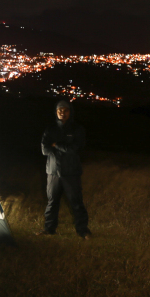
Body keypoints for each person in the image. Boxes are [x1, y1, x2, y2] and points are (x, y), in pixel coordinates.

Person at [36, 100, 92, 239]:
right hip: (53, 172)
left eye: (65, 110)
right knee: (52, 203)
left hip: (71, 172)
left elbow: (75, 149)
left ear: (70, 112)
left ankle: (83, 231)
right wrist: (62, 147)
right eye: (59, 110)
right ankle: (49, 229)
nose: (62, 112)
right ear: (56, 112)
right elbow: (44, 149)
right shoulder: (50, 129)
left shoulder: (77, 129)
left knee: (76, 203)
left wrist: (56, 145)